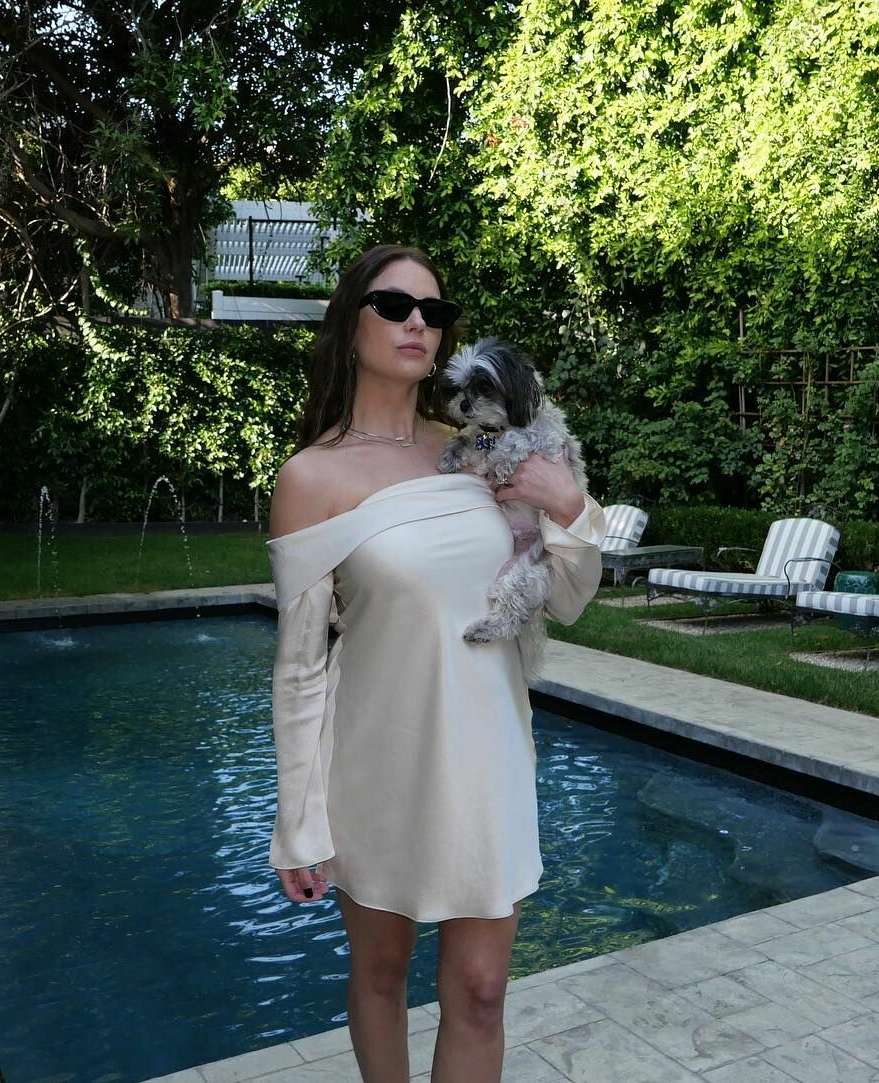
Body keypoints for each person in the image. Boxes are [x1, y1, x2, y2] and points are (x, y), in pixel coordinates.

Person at [265, 243, 606, 1082]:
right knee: (382, 976)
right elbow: (301, 668)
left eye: (434, 311)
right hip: (378, 764)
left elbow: (565, 598)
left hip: (490, 758)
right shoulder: (311, 478)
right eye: (394, 305)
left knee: (482, 992)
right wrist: (297, 822)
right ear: (350, 325)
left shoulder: (485, 450)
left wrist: (570, 505)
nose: (418, 322)